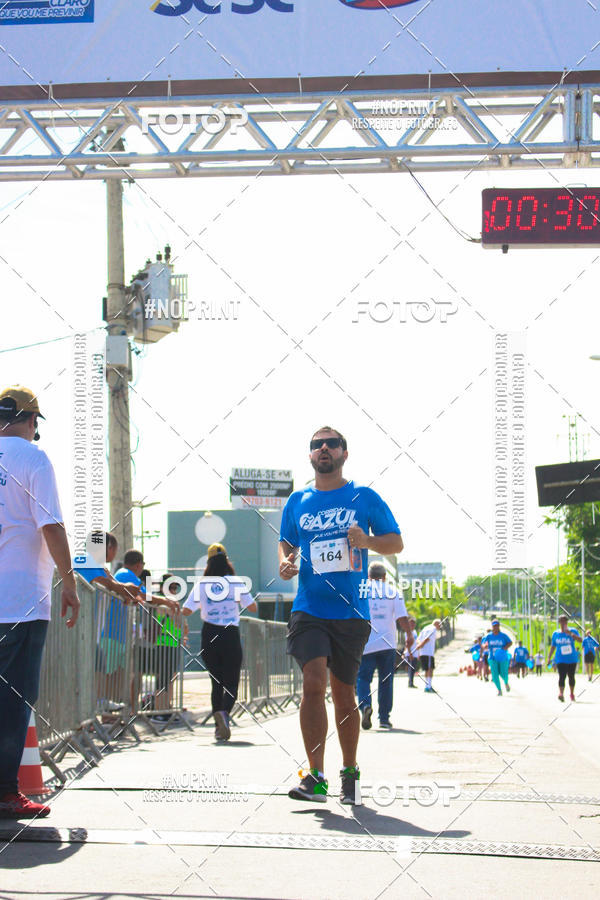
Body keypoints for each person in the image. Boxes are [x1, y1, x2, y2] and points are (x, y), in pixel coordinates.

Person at [279, 426, 403, 805]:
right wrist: (284, 561)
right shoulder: (298, 500)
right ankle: (315, 776)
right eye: (317, 445)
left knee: (344, 693)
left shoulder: (364, 497)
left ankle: (349, 771)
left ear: (344, 453)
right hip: (309, 607)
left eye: (331, 444)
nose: (324, 449)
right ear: (311, 456)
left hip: (351, 611)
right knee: (313, 682)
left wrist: (367, 541)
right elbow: (286, 540)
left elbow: (395, 542)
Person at [0, 385, 80, 818]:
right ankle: (5, 792)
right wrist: (69, 583)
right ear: (32, 422)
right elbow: (51, 526)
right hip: (19, 603)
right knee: (12, 700)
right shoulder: (33, 458)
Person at [183, 543, 256, 741]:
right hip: (230, 632)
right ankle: (224, 714)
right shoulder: (235, 582)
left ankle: (218, 727)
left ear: (208, 563)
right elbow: (253, 608)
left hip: (210, 633)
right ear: (227, 561)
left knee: (216, 682)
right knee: (232, 682)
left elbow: (187, 610)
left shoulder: (202, 584)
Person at [356, 563, 411, 730]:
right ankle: (384, 718)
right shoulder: (393, 592)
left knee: (363, 678)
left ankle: (365, 705)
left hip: (365, 644)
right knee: (386, 681)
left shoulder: (361, 590)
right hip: (387, 644)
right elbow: (402, 618)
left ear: (369, 576)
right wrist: (409, 635)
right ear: (385, 577)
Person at [548, 615, 582, 702]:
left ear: (567, 622)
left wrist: (570, 634)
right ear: (559, 622)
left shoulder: (573, 631)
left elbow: (580, 640)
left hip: (571, 658)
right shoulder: (556, 633)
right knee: (561, 676)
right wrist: (549, 657)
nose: (563, 623)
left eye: (565, 621)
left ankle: (571, 693)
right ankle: (561, 694)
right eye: (561, 621)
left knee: (571, 676)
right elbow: (553, 646)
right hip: (560, 658)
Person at [481, 620, 512, 696]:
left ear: (499, 626)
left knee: (503, 673)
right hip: (492, 657)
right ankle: (499, 690)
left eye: (497, 626)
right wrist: (485, 646)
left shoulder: (503, 635)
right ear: (492, 627)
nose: (495, 627)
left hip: (502, 657)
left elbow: (510, 642)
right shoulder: (489, 636)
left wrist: (505, 648)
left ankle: (506, 682)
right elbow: (483, 643)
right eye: (494, 626)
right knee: (494, 675)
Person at [413, 619, 441, 693]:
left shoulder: (425, 628)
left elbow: (418, 639)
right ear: (437, 624)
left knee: (427, 669)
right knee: (430, 669)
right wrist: (421, 646)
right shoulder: (433, 629)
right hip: (428, 652)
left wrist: (419, 648)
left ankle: (427, 686)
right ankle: (428, 687)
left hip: (423, 652)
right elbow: (427, 639)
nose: (440, 627)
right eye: (440, 625)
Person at [405, 617, 419, 688]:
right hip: (410, 653)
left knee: (413, 669)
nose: (412, 625)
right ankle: (410, 683)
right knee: (411, 668)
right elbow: (407, 644)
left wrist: (418, 653)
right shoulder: (408, 633)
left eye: (413, 624)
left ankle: (412, 682)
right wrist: (410, 653)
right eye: (411, 624)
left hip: (415, 653)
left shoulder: (415, 632)